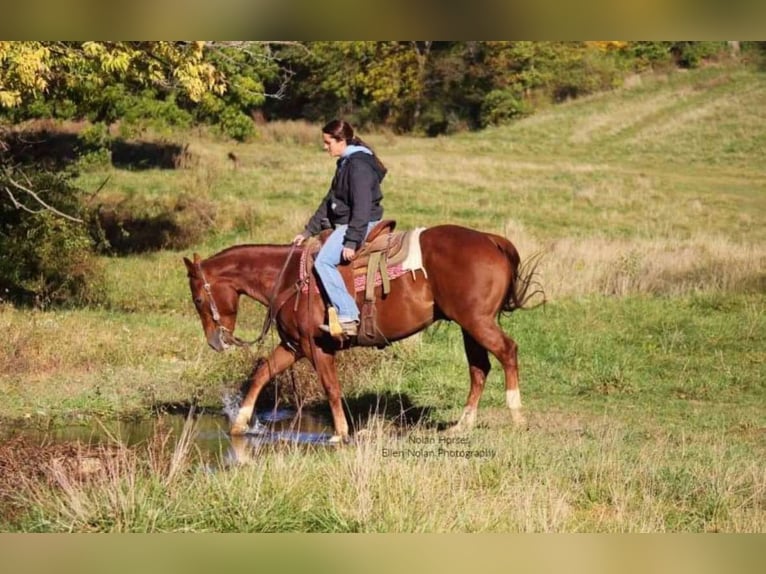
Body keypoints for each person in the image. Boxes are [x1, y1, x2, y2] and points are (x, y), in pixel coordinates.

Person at [293, 119, 387, 336]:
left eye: (328, 143)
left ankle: (348, 316)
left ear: (341, 140)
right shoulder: (345, 163)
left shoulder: (358, 166)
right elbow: (330, 200)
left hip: (360, 222)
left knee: (324, 261)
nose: (325, 147)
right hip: (352, 221)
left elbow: (362, 206)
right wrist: (308, 231)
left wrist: (352, 240)